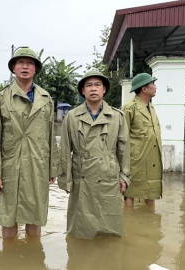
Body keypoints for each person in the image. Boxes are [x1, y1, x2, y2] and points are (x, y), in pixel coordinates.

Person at [0, 47, 62, 238]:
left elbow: (50, 134)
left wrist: (53, 168)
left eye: (29, 63)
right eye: (20, 63)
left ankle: (33, 258)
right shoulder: (1, 98)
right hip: (10, 165)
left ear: (35, 69)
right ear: (13, 68)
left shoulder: (46, 98)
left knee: (35, 214)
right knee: (7, 214)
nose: (25, 66)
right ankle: (8, 258)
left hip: (37, 165)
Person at [58, 70, 131, 239]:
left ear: (104, 89)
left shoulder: (117, 116)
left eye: (97, 85)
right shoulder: (71, 117)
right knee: (79, 230)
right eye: (89, 85)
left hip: (108, 174)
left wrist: (124, 177)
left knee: (109, 228)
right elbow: (64, 150)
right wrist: (66, 180)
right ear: (83, 91)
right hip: (81, 175)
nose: (93, 89)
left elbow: (124, 148)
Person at [122, 73, 162, 207]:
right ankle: (129, 221)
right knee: (131, 191)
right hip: (135, 159)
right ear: (144, 89)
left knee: (152, 189)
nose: (155, 87)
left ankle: (151, 222)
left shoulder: (151, 107)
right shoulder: (129, 108)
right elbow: (122, 135)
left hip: (152, 158)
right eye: (153, 84)